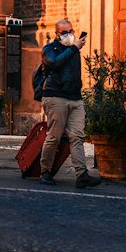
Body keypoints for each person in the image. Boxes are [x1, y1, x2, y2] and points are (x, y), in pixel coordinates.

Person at [39, 18, 99, 189]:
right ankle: (45, 171)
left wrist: (73, 49)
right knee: (54, 137)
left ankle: (82, 175)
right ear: (57, 34)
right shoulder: (50, 49)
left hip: (75, 98)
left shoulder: (74, 51)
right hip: (55, 97)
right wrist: (73, 48)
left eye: (70, 31)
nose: (68, 35)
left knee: (77, 136)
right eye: (63, 32)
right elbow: (54, 63)